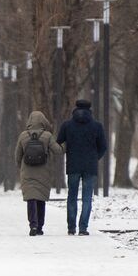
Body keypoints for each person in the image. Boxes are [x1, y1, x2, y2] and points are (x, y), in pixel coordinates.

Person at [56, 99, 107, 235]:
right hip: (90, 166)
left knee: (72, 196)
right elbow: (103, 147)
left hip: (73, 165)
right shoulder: (97, 126)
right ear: (90, 110)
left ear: (75, 108)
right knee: (86, 197)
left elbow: (58, 141)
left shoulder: (67, 125)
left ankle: (71, 227)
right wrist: (95, 158)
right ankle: (83, 228)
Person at [16, 112, 57, 236]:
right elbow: (57, 150)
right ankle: (40, 226)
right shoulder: (47, 136)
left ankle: (33, 224)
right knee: (41, 198)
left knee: (31, 199)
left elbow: (17, 155)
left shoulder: (23, 136)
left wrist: (21, 167)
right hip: (43, 171)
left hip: (27, 171)